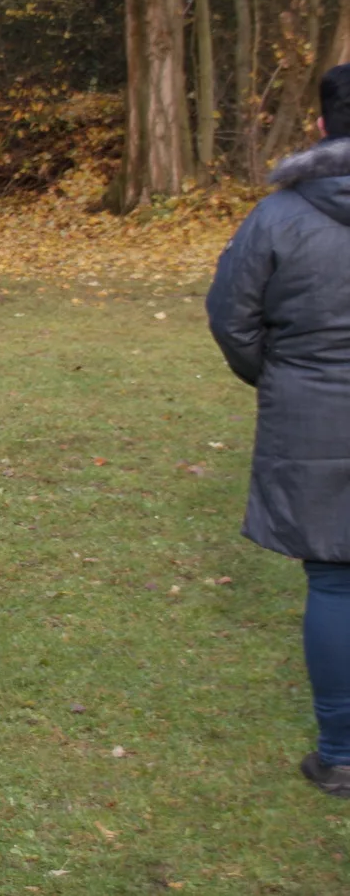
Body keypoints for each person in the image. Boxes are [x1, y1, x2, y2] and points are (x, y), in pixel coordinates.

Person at [207, 61, 350, 799]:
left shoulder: (277, 216)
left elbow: (231, 317)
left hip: (313, 417)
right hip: (308, 399)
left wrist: (284, 377)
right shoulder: (279, 215)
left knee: (334, 578)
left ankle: (341, 753)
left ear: (321, 125)